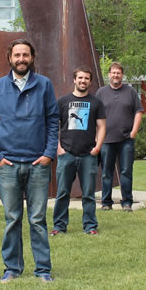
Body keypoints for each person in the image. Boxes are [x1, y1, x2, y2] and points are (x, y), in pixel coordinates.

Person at [0, 39, 59, 283]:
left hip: (38, 164)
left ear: (32, 57)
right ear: (10, 58)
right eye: (17, 55)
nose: (21, 59)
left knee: (38, 220)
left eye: (25, 54)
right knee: (12, 219)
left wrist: (49, 154)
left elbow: (52, 120)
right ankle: (12, 269)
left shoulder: (44, 85)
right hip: (8, 165)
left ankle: (43, 270)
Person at [52, 66, 106, 236]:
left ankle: (90, 226)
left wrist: (98, 147)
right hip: (66, 154)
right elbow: (53, 126)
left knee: (89, 194)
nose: (83, 81)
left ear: (90, 81)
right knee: (62, 193)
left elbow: (102, 126)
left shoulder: (96, 102)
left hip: (88, 155)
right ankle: (59, 226)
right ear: (74, 80)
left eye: (86, 78)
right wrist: (58, 147)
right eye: (80, 78)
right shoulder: (62, 101)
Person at [96, 62, 143, 212]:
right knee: (106, 172)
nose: (116, 75)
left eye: (118, 73)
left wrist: (134, 131)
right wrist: (97, 136)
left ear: (122, 75)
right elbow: (95, 115)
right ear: (109, 75)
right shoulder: (101, 92)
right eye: (113, 72)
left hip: (126, 140)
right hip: (106, 140)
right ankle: (106, 202)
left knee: (126, 171)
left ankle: (127, 202)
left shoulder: (130, 92)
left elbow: (138, 112)